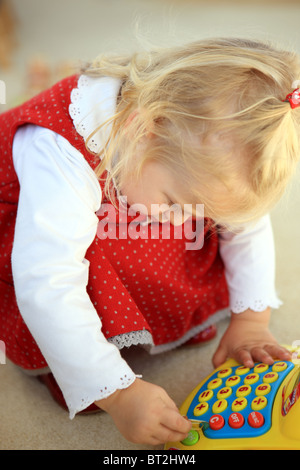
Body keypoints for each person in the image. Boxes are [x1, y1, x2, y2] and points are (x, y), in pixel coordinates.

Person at [0, 37, 300, 446]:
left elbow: (245, 225)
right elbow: (47, 280)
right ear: (142, 129)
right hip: (39, 232)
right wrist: (116, 391)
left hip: (124, 205)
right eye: (176, 203)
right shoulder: (58, 151)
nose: (187, 225)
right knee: (65, 292)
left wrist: (251, 321)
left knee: (182, 218)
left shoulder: (192, 153)